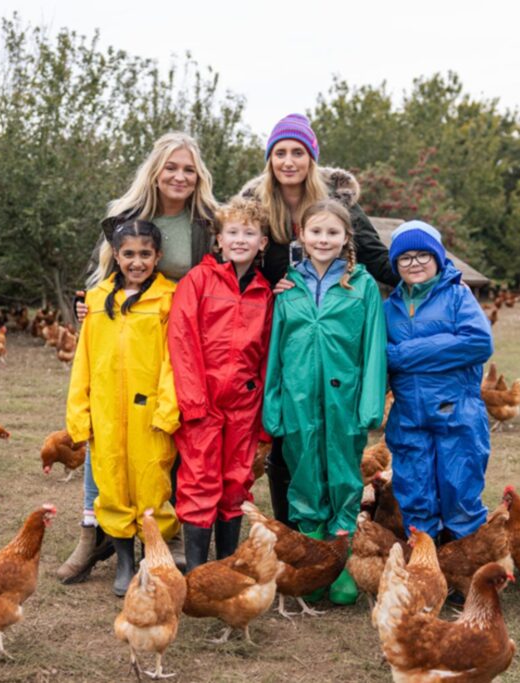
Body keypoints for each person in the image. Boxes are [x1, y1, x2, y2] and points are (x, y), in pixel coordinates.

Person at [58, 132, 218, 584]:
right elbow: (100, 274)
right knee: (107, 439)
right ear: (156, 170)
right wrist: (87, 306)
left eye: (188, 169)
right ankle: (93, 533)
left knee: (166, 439)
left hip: (178, 334)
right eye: (172, 167)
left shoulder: (205, 223)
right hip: (126, 330)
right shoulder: (125, 217)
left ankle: (166, 534)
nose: (180, 176)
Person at [237, 113, 398, 530]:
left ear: (311, 158)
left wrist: (428, 275)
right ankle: (298, 533)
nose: (288, 161)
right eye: (280, 153)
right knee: (292, 450)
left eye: (298, 152)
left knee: (339, 455)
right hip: (284, 321)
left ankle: (340, 535)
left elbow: (376, 258)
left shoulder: (340, 210)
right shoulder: (257, 207)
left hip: (334, 343)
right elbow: (236, 255)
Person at [262, 199, 387, 606]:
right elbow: (276, 350)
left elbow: (373, 348)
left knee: (344, 475)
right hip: (297, 399)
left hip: (344, 399)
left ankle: (343, 559)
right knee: (304, 474)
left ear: (346, 237)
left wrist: (370, 403)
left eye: (332, 232)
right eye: (316, 231)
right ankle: (314, 562)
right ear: (302, 235)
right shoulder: (288, 287)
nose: (323, 239)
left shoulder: (362, 286)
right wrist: (273, 402)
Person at [66, 219, 180, 597]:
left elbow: (174, 360)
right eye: (128, 254)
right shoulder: (97, 300)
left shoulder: (168, 299)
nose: (137, 262)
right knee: (111, 484)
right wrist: (79, 412)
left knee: (151, 484)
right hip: (106, 412)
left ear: (157, 256)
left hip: (150, 411)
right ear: (116, 255)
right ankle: (124, 560)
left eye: (145, 254)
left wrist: (168, 409)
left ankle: (153, 556)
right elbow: (83, 360)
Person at [168, 197, 273, 572]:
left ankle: (226, 570)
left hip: (244, 405)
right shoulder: (199, 281)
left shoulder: (265, 292)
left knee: (237, 482)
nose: (240, 239)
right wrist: (194, 402)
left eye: (250, 233)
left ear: (262, 242)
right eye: (233, 232)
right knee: (199, 481)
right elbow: (182, 341)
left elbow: (267, 353)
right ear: (219, 239)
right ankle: (197, 573)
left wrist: (262, 411)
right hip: (203, 402)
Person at [383, 220, 493, 552]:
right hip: (408, 417)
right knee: (415, 495)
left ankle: (466, 565)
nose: (414, 263)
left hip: (456, 413)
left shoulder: (459, 296)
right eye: (405, 258)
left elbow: (477, 343)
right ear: (396, 264)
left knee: (460, 493)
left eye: (423, 255)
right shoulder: (389, 308)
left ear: (438, 258)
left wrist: (402, 354)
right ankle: (424, 565)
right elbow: (377, 358)